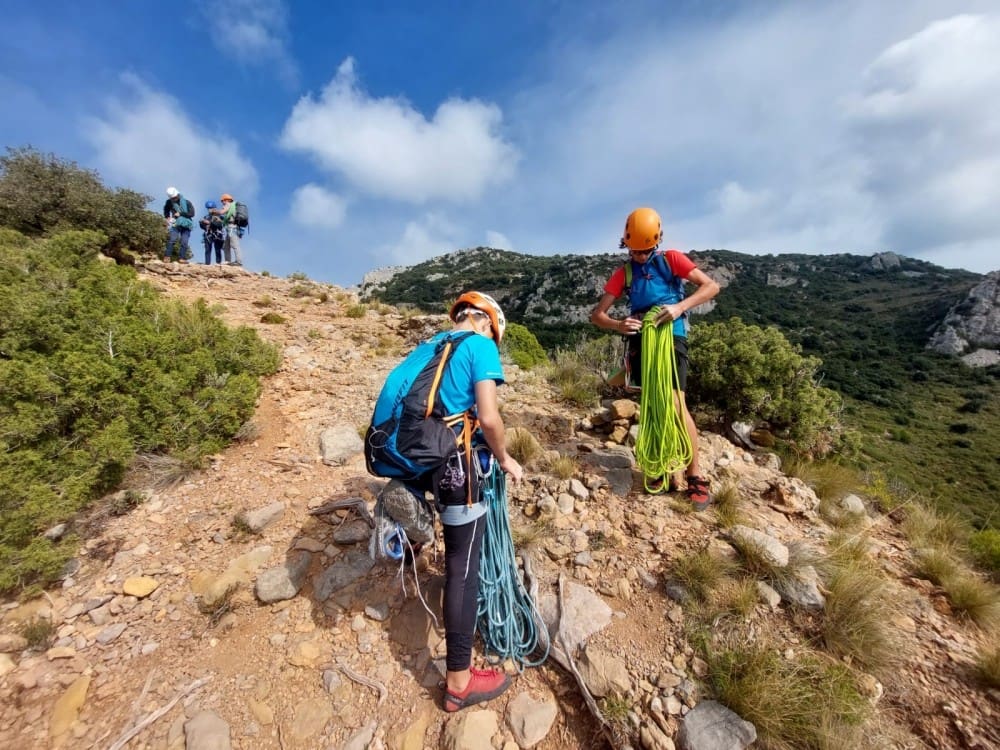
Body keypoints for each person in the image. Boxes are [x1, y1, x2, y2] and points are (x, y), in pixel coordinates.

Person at [392, 292, 523, 712]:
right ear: (487, 322)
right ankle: (460, 681)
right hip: (458, 466)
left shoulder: (432, 345)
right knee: (461, 570)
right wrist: (505, 459)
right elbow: (488, 417)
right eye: (494, 334)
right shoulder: (480, 345)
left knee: (456, 561)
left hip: (427, 458)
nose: (493, 340)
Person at [590, 207, 720, 510]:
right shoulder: (625, 273)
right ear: (626, 244)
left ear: (656, 243)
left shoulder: (671, 260)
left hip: (671, 337)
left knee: (675, 402)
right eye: (634, 250)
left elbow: (711, 286)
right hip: (643, 341)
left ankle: (694, 476)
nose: (639, 255)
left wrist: (678, 307)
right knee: (652, 403)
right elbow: (597, 315)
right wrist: (619, 324)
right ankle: (661, 466)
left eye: (645, 250)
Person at [162, 187, 195, 263]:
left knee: (184, 242)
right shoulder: (169, 202)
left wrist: (181, 213)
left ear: (178, 195)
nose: (174, 199)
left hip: (187, 224)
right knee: (172, 239)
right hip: (176, 223)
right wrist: (167, 217)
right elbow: (166, 210)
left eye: (175, 197)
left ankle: (182, 258)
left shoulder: (187, 202)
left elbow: (192, 213)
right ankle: (167, 257)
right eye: (172, 198)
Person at [218, 193, 243, 266]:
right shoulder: (233, 206)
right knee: (226, 246)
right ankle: (227, 261)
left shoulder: (228, 205)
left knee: (235, 245)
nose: (222, 203)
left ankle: (239, 262)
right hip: (232, 227)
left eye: (222, 201)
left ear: (225, 200)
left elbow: (222, 212)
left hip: (232, 227)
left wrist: (214, 211)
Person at [199, 200, 225, 265]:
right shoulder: (206, 217)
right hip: (208, 235)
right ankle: (207, 264)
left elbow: (219, 225)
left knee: (217, 250)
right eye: (208, 208)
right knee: (207, 250)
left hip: (217, 234)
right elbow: (203, 227)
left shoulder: (219, 216)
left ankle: (218, 263)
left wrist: (209, 223)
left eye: (210, 208)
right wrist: (202, 223)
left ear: (214, 208)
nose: (209, 210)